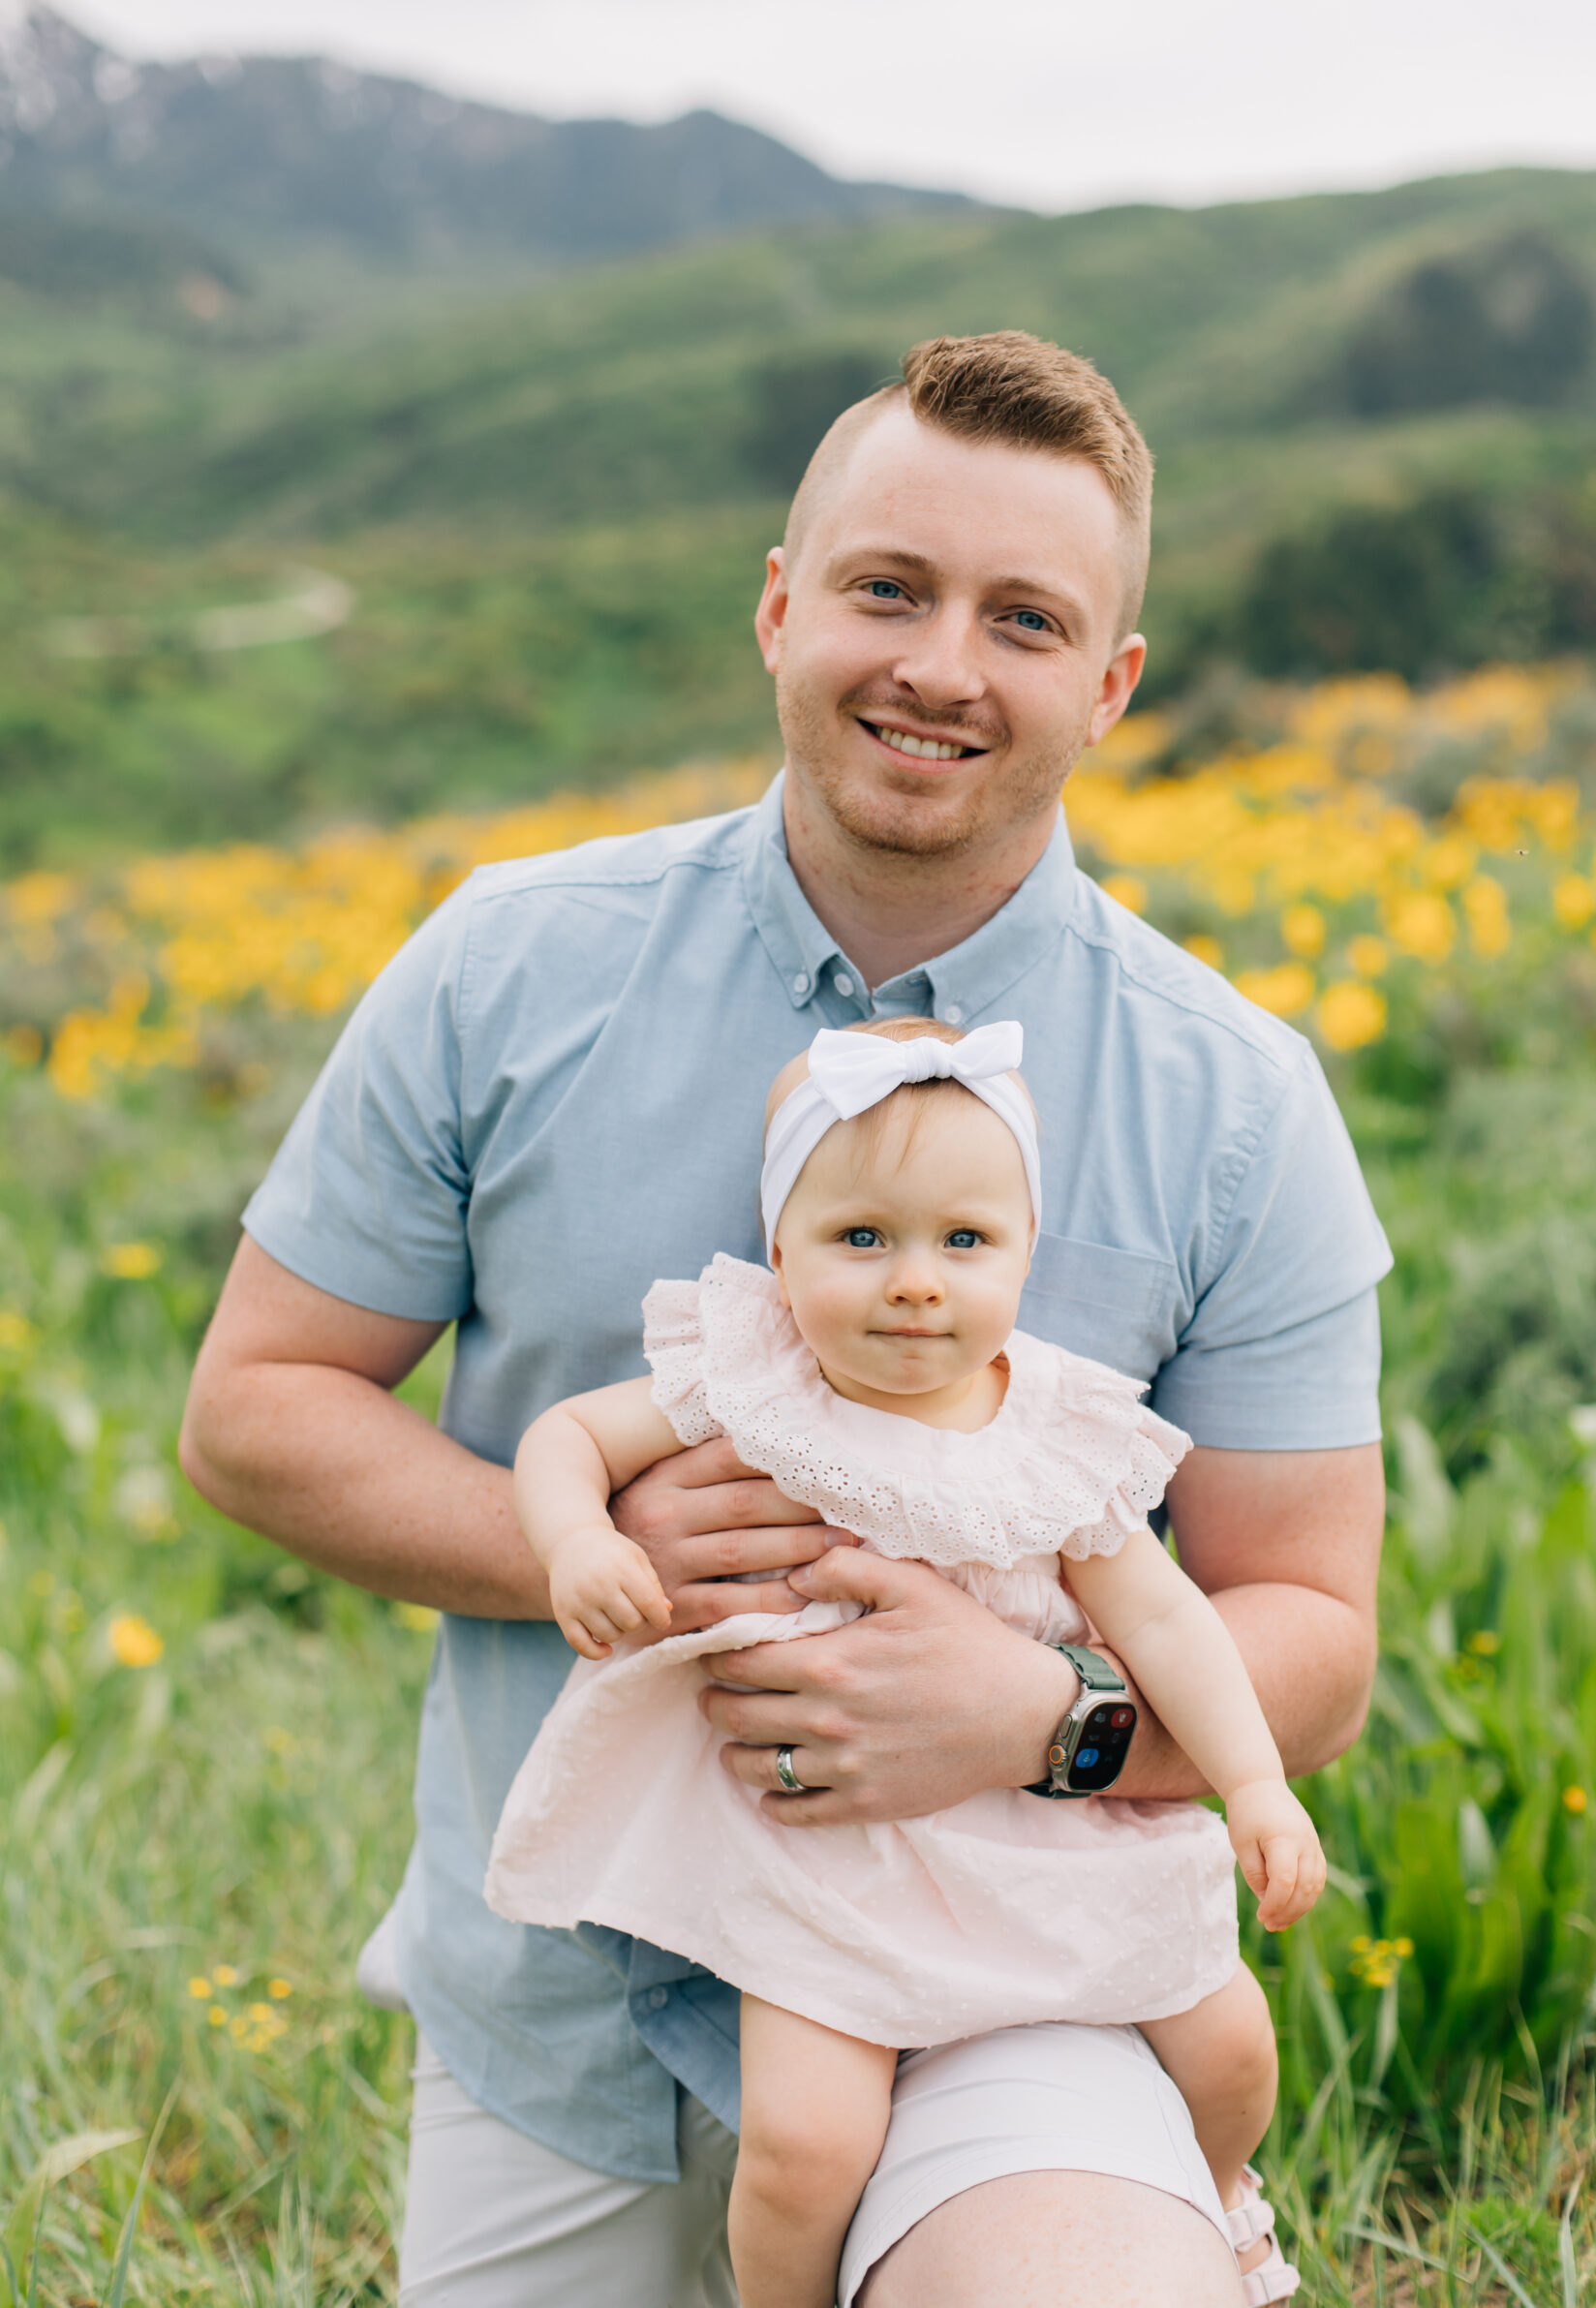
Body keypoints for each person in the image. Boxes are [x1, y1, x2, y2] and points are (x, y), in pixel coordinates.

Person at [178, 328, 1390, 2307]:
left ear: (1111, 686)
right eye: (887, 588)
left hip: (1010, 1985)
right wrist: (569, 1544)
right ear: (777, 605)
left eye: (1023, 618)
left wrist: (1052, 1722)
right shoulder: (504, 965)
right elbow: (256, 1405)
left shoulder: (1235, 1102)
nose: (940, 664)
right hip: (564, 1994)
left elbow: (1311, 1638)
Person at [490, 1011, 1325, 2308]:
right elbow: (566, 1437)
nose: (915, 1281)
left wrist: (1256, 1784)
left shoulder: (1054, 1432)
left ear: (1026, 1256)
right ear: (781, 1256)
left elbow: (1165, 1621)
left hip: (1042, 1829)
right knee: (804, 2149)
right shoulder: (760, 1385)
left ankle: (1217, 2203)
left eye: (965, 1241)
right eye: (862, 1238)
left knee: (1229, 2050)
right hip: (834, 1852)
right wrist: (573, 1543)